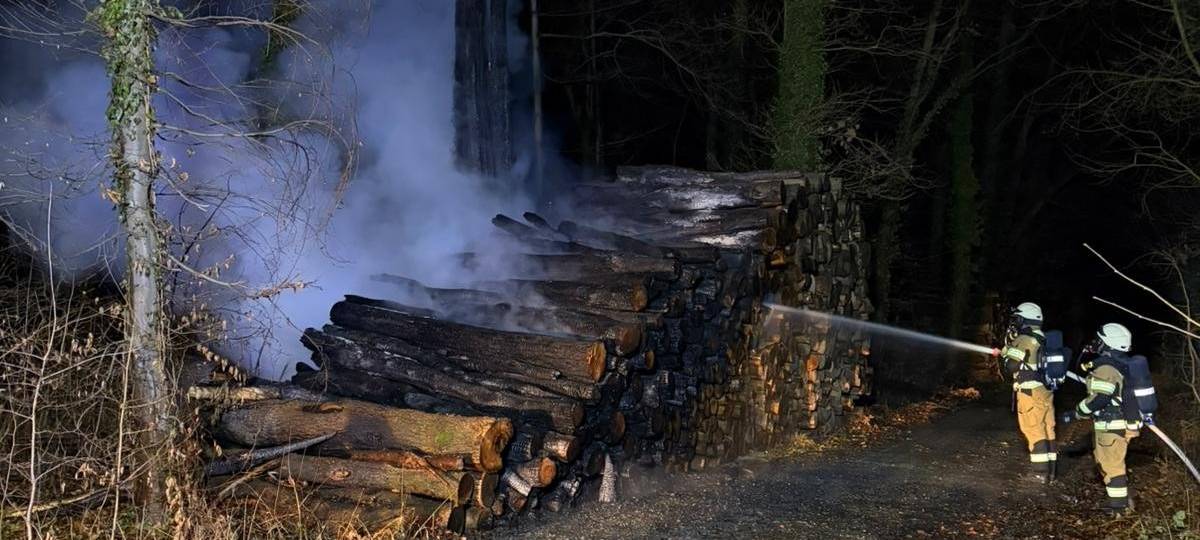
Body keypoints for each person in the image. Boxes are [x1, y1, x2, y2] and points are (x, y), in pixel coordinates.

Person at [1062, 322, 1135, 513]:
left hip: (1112, 426)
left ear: (1108, 344)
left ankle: (1119, 508)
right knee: (1108, 463)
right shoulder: (1115, 365)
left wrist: (1077, 411)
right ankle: (1121, 503)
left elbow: (1100, 399)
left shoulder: (1107, 370)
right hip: (1113, 424)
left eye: (1100, 340)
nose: (1096, 343)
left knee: (1112, 465)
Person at [999, 302, 1057, 483]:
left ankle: (1039, 473)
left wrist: (1007, 351)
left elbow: (1011, 366)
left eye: (1017, 318)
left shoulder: (1023, 339)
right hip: (1045, 392)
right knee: (1048, 430)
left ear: (1024, 319)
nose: (1015, 322)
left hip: (1029, 393)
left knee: (1033, 430)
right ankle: (1051, 471)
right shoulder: (1042, 338)